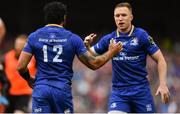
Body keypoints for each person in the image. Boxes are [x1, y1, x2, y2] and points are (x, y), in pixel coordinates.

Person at [17, 1, 122, 113]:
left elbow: (21, 67)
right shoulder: (72, 39)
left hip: (41, 90)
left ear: (46, 17)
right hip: (61, 91)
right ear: (64, 18)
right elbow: (94, 63)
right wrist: (111, 52)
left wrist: (29, 79)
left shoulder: (34, 37)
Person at [84, 2, 170, 113]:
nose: (120, 18)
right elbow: (91, 54)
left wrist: (163, 84)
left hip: (141, 92)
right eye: (117, 16)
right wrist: (87, 46)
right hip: (119, 94)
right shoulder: (109, 38)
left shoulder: (141, 35)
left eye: (124, 15)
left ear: (131, 17)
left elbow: (161, 60)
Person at [4, 34, 36, 113]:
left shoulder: (33, 59)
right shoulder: (6, 57)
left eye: (21, 46)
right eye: (17, 45)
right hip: (9, 93)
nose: (18, 48)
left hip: (24, 94)